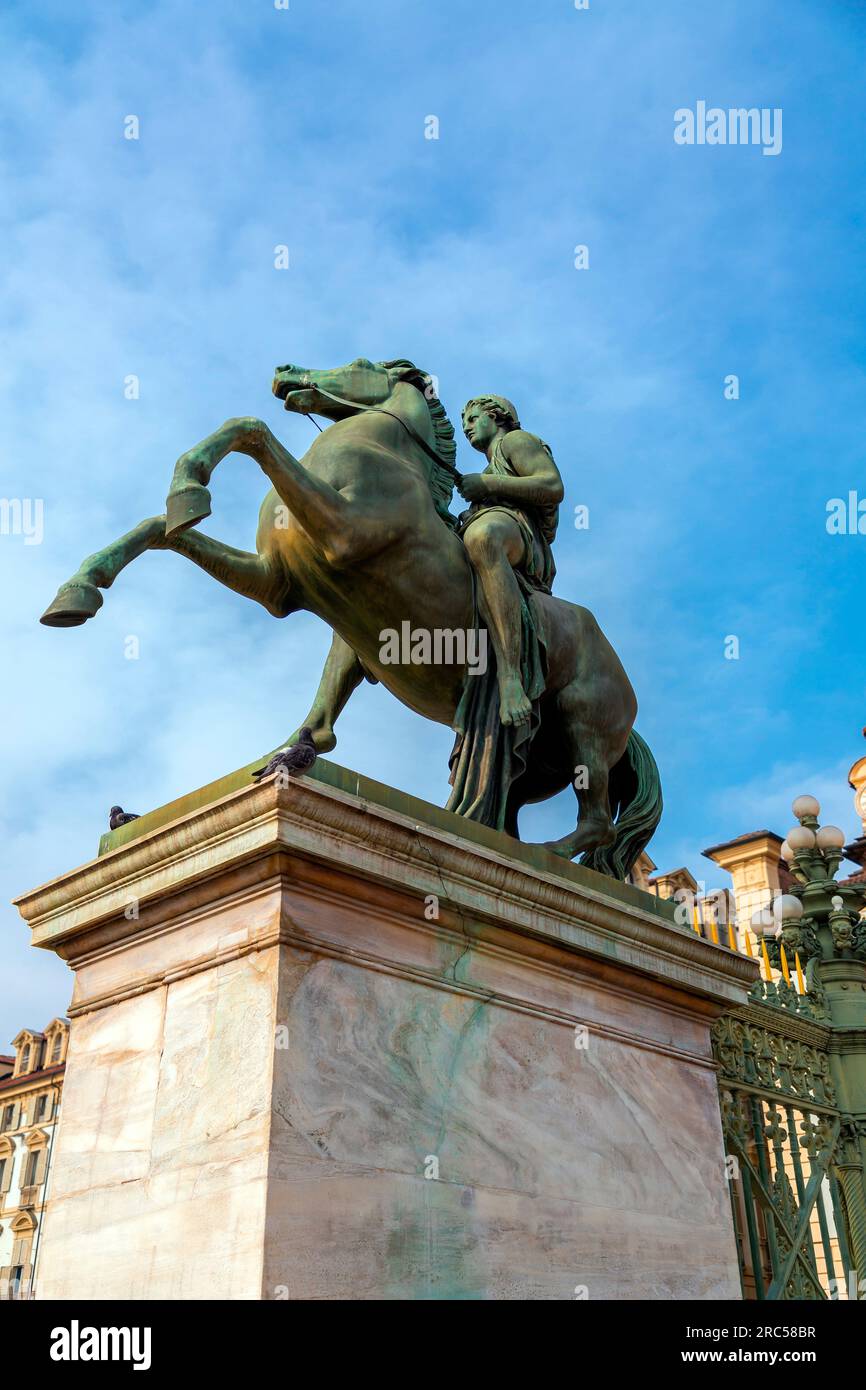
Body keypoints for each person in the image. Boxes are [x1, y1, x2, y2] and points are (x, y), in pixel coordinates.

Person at [457, 395, 563, 726]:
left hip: (523, 537)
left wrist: (487, 484)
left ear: (497, 416)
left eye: (474, 418)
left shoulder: (516, 442)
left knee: (482, 536)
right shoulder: (489, 468)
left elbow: (552, 485)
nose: (467, 427)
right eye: (464, 424)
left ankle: (510, 675)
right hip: (501, 531)